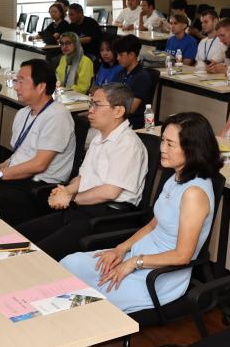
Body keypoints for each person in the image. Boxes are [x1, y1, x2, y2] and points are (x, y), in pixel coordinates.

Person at [33, 112, 220, 347]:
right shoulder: (177, 176)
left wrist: (134, 262)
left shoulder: (194, 193)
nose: (162, 149)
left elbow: (183, 255)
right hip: (139, 257)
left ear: (192, 149)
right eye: (163, 141)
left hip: (160, 276)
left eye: (170, 144)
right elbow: (154, 224)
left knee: (76, 301)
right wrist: (120, 249)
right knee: (68, 266)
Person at [10, 81, 148, 262]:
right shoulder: (99, 138)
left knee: (37, 255)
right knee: (17, 238)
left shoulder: (128, 144)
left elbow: (110, 192)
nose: (90, 110)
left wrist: (71, 197)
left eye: (96, 105)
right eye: (91, 104)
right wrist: (66, 191)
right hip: (83, 209)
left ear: (118, 111)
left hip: (109, 218)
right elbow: (82, 177)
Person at [0, 60, 77, 225]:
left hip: (38, 188)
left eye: (21, 81)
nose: (16, 87)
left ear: (41, 87)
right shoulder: (23, 113)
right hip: (16, 179)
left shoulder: (57, 116)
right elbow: (19, 153)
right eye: (16, 81)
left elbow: (39, 165)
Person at [113, 35, 153, 129]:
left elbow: (131, 109)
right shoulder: (120, 72)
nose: (117, 58)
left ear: (131, 55)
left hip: (132, 122)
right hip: (117, 117)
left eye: (121, 55)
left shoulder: (142, 77)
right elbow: (111, 95)